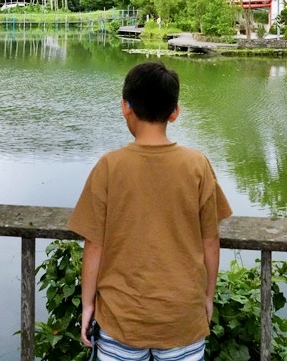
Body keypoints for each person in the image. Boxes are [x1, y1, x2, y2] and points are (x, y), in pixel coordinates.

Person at [68, 61, 232, 360]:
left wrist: (88, 304)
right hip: (182, 317)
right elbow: (210, 240)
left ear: (125, 107)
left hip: (121, 319)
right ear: (175, 112)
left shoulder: (109, 166)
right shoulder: (198, 165)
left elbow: (94, 245)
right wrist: (207, 297)